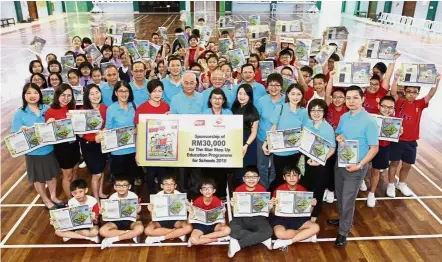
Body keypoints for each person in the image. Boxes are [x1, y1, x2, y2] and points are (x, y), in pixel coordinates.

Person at [327, 85, 379, 248]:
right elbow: (338, 133)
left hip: (356, 167)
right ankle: (344, 219)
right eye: (348, 98)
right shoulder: (344, 117)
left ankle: (343, 231)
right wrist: (338, 135)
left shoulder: (369, 121)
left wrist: (360, 165)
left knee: (348, 199)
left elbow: (374, 148)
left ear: (363, 99)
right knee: (341, 195)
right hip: (341, 163)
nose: (351, 101)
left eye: (355, 97)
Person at [387, 70, 440, 197]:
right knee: (394, 163)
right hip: (397, 140)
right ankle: (391, 184)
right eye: (409, 92)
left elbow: (431, 94)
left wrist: (437, 81)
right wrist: (395, 78)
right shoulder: (399, 101)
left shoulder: (419, 104)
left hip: (411, 141)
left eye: (414, 92)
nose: (411, 95)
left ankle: (402, 183)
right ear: (404, 92)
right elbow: (393, 92)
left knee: (407, 165)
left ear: (417, 94)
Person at [11, 83, 62, 209]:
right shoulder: (20, 113)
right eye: (28, 93)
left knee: (51, 175)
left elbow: (56, 128)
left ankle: (53, 196)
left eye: (35, 92)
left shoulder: (46, 108)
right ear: (24, 96)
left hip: (48, 149)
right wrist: (20, 131)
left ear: (40, 94)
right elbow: (14, 135)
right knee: (38, 178)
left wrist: (52, 122)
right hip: (33, 153)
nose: (32, 96)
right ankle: (46, 200)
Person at [262, 83, 309, 192]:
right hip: (279, 152)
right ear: (288, 94)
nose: (295, 96)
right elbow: (273, 127)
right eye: (293, 94)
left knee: (293, 179)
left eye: (298, 94)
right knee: (280, 178)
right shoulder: (280, 108)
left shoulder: (303, 112)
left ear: (302, 96)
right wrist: (265, 143)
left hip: (295, 152)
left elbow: (305, 131)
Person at [99, 81, 144, 187]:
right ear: (116, 93)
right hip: (117, 152)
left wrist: (138, 130)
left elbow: (140, 125)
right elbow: (108, 128)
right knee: (120, 181)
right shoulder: (111, 109)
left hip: (133, 149)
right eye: (120, 91)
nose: (123, 94)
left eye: (126, 91)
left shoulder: (135, 106)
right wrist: (100, 134)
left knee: (131, 179)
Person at [300, 99, 336, 221]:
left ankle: (314, 215)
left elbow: (332, 148)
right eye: (313, 110)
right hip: (307, 161)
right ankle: (304, 212)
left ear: (324, 112)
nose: (316, 113)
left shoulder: (328, 128)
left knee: (318, 189)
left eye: (319, 110)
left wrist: (320, 160)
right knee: (306, 186)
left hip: (321, 163)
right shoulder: (307, 125)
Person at [170, 73, 204, 196]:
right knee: (181, 172)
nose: (189, 86)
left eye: (192, 83)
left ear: (196, 84)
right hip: (181, 141)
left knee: (197, 172)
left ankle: (196, 200)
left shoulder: (203, 97)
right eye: (186, 83)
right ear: (181, 84)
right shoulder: (175, 99)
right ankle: (182, 199)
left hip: (199, 141)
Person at [228, 166, 273, 258]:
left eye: (254, 177)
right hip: (241, 218)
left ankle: (238, 245)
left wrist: (269, 207)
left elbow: (265, 212)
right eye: (248, 177)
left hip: (258, 218)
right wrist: (233, 206)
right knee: (231, 230)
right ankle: (261, 239)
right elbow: (234, 213)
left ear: (258, 179)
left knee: (268, 231)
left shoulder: (262, 190)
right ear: (243, 179)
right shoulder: (238, 190)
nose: (251, 179)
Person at [134, 79, 170, 194]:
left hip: (164, 147)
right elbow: (139, 132)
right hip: (148, 147)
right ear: (148, 93)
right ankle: (152, 195)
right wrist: (138, 153)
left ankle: (163, 195)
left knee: (163, 173)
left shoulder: (166, 106)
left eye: (160, 91)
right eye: (154, 91)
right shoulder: (142, 109)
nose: (157, 94)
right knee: (151, 173)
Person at [271, 166, 320, 249]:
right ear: (284, 177)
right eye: (288, 175)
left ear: (299, 176)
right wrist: (272, 205)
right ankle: (304, 235)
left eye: (294, 175)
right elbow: (273, 212)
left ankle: (289, 241)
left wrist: (312, 205)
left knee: (316, 227)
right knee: (279, 233)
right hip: (281, 219)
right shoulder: (278, 190)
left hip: (298, 218)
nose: (292, 178)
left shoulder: (303, 190)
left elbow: (308, 213)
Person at [45, 84, 81, 199]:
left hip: (74, 144)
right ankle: (71, 200)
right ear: (57, 95)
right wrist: (49, 123)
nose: (66, 98)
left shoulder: (73, 107)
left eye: (69, 95)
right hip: (62, 148)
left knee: (75, 171)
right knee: (68, 176)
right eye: (63, 95)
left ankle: (76, 195)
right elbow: (47, 133)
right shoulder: (50, 111)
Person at [366, 96, 400, 207]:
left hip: (383, 148)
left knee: (376, 171)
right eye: (384, 106)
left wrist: (399, 132)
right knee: (363, 167)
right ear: (378, 106)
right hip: (368, 146)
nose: (387, 109)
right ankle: (361, 181)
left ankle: (371, 194)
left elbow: (394, 135)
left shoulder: (395, 121)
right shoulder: (371, 116)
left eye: (390, 107)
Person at [255, 73, 285, 189]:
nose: (274, 88)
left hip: (279, 140)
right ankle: (263, 189)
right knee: (261, 166)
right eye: (271, 85)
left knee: (275, 167)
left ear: (281, 87)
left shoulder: (286, 101)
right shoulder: (261, 101)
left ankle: (273, 190)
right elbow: (256, 120)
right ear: (267, 87)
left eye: (277, 85)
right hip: (262, 138)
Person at [79, 84, 108, 200]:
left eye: (97, 92)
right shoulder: (82, 111)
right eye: (92, 94)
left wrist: (105, 131)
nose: (96, 96)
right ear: (87, 96)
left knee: (102, 170)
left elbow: (108, 126)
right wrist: (93, 138)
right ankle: (96, 200)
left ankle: (100, 192)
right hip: (89, 146)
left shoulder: (105, 108)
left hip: (102, 144)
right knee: (96, 174)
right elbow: (81, 134)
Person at [145, 175, 193, 244]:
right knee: (147, 230)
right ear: (161, 186)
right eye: (166, 184)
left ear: (175, 186)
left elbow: (185, 217)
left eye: (171, 184)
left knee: (189, 228)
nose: (169, 186)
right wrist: (150, 210)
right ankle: (177, 233)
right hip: (161, 220)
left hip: (176, 221)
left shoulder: (180, 195)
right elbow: (153, 219)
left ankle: (160, 237)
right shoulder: (157, 197)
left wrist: (188, 207)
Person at [99, 174, 144, 249]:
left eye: (124, 185)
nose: (121, 188)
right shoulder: (112, 197)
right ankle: (129, 234)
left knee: (140, 228)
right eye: (118, 185)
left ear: (129, 187)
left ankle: (113, 238)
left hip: (130, 220)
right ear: (114, 187)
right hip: (116, 221)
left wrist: (138, 209)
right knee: (102, 231)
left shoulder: (133, 196)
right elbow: (108, 214)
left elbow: (137, 213)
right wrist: (103, 212)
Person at [323, 71, 348, 204]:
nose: (337, 99)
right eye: (335, 97)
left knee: (339, 169)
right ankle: (329, 188)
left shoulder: (348, 110)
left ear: (345, 99)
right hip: (329, 143)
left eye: (341, 97)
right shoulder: (329, 107)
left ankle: (334, 189)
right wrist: (332, 77)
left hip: (343, 144)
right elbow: (327, 94)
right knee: (328, 167)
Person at [231, 84, 260, 185]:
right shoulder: (234, 107)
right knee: (235, 172)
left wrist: (246, 145)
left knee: (246, 170)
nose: (242, 96)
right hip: (234, 141)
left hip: (248, 143)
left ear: (250, 96)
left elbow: (254, 132)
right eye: (240, 93)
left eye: (245, 94)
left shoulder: (253, 110)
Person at [188, 178, 231, 246]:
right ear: (201, 191)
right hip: (200, 226)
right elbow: (190, 221)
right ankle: (216, 239)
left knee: (227, 230)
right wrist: (190, 212)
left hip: (214, 225)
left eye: (210, 188)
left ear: (214, 190)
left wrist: (223, 215)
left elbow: (222, 223)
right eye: (204, 188)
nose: (207, 191)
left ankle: (202, 238)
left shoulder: (217, 201)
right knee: (193, 240)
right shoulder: (197, 201)